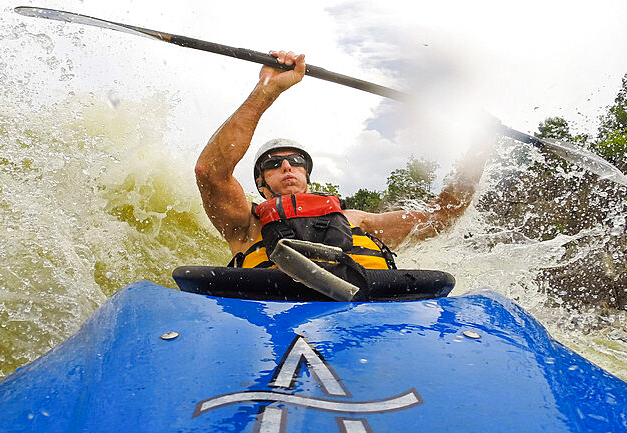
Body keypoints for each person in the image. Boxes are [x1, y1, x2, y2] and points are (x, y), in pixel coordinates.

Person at [194, 50, 495, 270]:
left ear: (308, 177)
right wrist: (267, 91)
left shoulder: (357, 220)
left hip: (363, 313)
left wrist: (479, 149)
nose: (287, 166)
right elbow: (209, 172)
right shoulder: (245, 224)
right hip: (272, 312)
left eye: (296, 161)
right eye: (273, 164)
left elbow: (443, 215)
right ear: (261, 185)